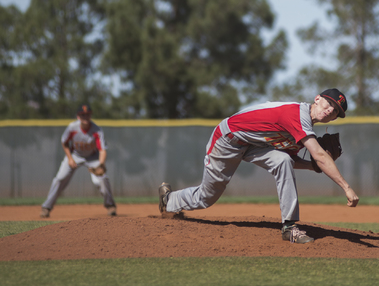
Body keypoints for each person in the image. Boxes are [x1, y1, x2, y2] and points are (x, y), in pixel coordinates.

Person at [158, 88, 359, 243]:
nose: (330, 110)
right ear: (317, 99)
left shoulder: (303, 132)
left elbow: (290, 160)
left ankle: (289, 227)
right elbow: (320, 155)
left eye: (335, 111)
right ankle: (169, 200)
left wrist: (311, 166)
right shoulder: (297, 115)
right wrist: (346, 188)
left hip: (255, 144)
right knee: (207, 197)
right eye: (329, 103)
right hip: (229, 138)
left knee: (283, 160)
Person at [40, 104, 117, 218]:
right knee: (60, 178)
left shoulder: (97, 130)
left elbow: (102, 150)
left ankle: (110, 205)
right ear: (78, 116)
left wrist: (101, 164)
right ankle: (46, 207)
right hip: (75, 155)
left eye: (87, 114)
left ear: (90, 115)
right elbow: (64, 143)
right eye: (82, 115)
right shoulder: (72, 128)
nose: (85, 117)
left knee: (102, 179)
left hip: (92, 157)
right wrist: (70, 159)